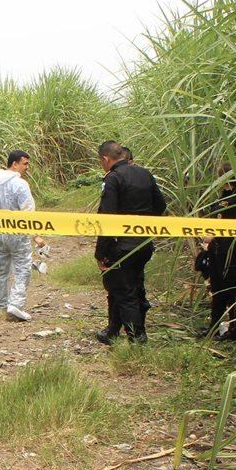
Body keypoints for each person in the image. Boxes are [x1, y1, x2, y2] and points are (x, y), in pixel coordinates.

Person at [94, 140, 167, 344]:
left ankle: (138, 339)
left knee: (125, 293)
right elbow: (160, 205)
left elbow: (107, 219)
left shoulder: (113, 179)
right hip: (144, 244)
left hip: (122, 246)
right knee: (128, 286)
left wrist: (100, 253)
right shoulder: (145, 174)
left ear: (106, 159)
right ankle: (112, 332)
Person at [0, 150, 39, 321]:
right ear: (15, 164)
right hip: (18, 234)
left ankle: (2, 304)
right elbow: (28, 212)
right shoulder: (20, 185)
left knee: (2, 269)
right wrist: (35, 235)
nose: (27, 167)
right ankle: (16, 304)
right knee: (23, 268)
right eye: (25, 164)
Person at [198, 162, 236, 340]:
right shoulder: (224, 196)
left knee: (231, 288)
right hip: (217, 250)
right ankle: (215, 326)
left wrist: (216, 236)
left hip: (232, 250)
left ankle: (235, 328)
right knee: (217, 287)